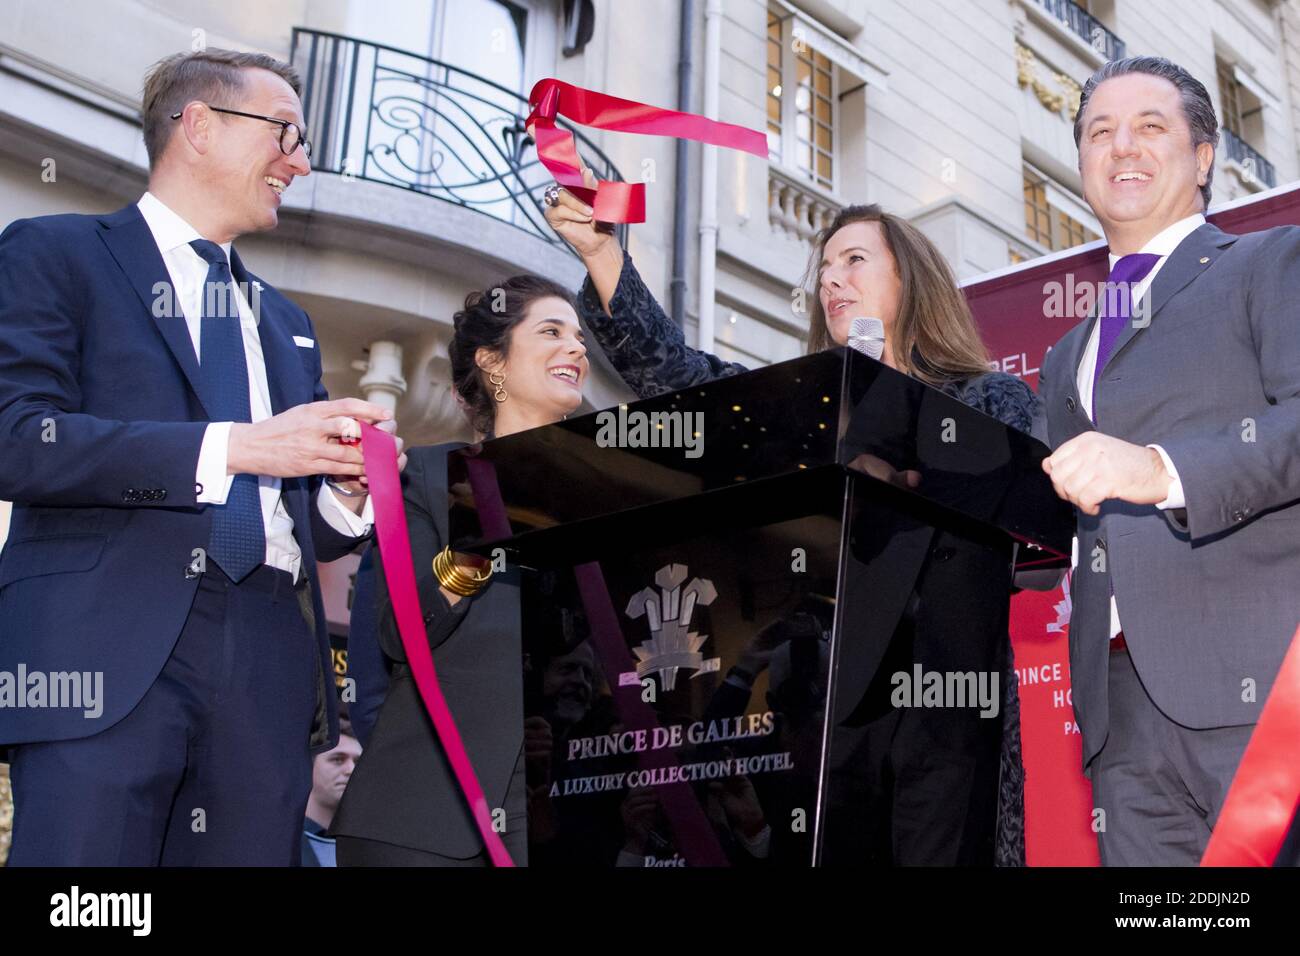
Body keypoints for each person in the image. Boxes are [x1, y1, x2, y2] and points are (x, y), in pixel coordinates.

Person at [544, 181, 1036, 865]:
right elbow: (685, 380)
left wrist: (891, 449)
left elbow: (1003, 509)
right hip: (832, 718)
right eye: (825, 271)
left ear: (911, 277)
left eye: (855, 261)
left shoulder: (990, 397)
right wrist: (602, 254)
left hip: (946, 707)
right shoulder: (806, 417)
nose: (833, 279)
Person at [0, 48, 403, 866]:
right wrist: (241, 446)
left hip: (265, 667)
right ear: (200, 126)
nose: (301, 159)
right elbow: (17, 438)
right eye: (285, 131)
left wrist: (346, 494)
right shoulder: (54, 254)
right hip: (103, 657)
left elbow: (305, 530)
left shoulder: (286, 321)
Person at [1035, 56, 1300, 866]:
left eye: (1151, 127)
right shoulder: (1063, 354)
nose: (1122, 149)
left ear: (1205, 154)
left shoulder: (1272, 262)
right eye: (1099, 133)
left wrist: (1162, 469)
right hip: (1117, 712)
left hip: (1261, 683)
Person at [331, 274, 589, 865]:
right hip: (424, 821)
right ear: (491, 363)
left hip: (564, 822)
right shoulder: (422, 477)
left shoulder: (592, 495)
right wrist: (483, 534)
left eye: (578, 337)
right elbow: (399, 635)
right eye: (552, 331)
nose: (576, 348)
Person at [302, 717, 361, 866]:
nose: (350, 770)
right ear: (309, 767)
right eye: (338, 759)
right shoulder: (278, 842)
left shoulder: (372, 848)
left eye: (358, 762)